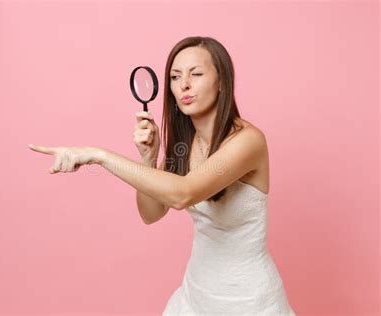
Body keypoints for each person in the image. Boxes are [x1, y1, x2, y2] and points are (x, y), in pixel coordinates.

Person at [29, 36, 296, 315]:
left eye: (197, 74)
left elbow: (182, 194)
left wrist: (100, 155)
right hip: (196, 295)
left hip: (248, 301)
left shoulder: (247, 141)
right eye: (175, 76)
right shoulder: (185, 143)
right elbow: (151, 213)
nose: (184, 85)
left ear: (222, 82)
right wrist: (148, 158)